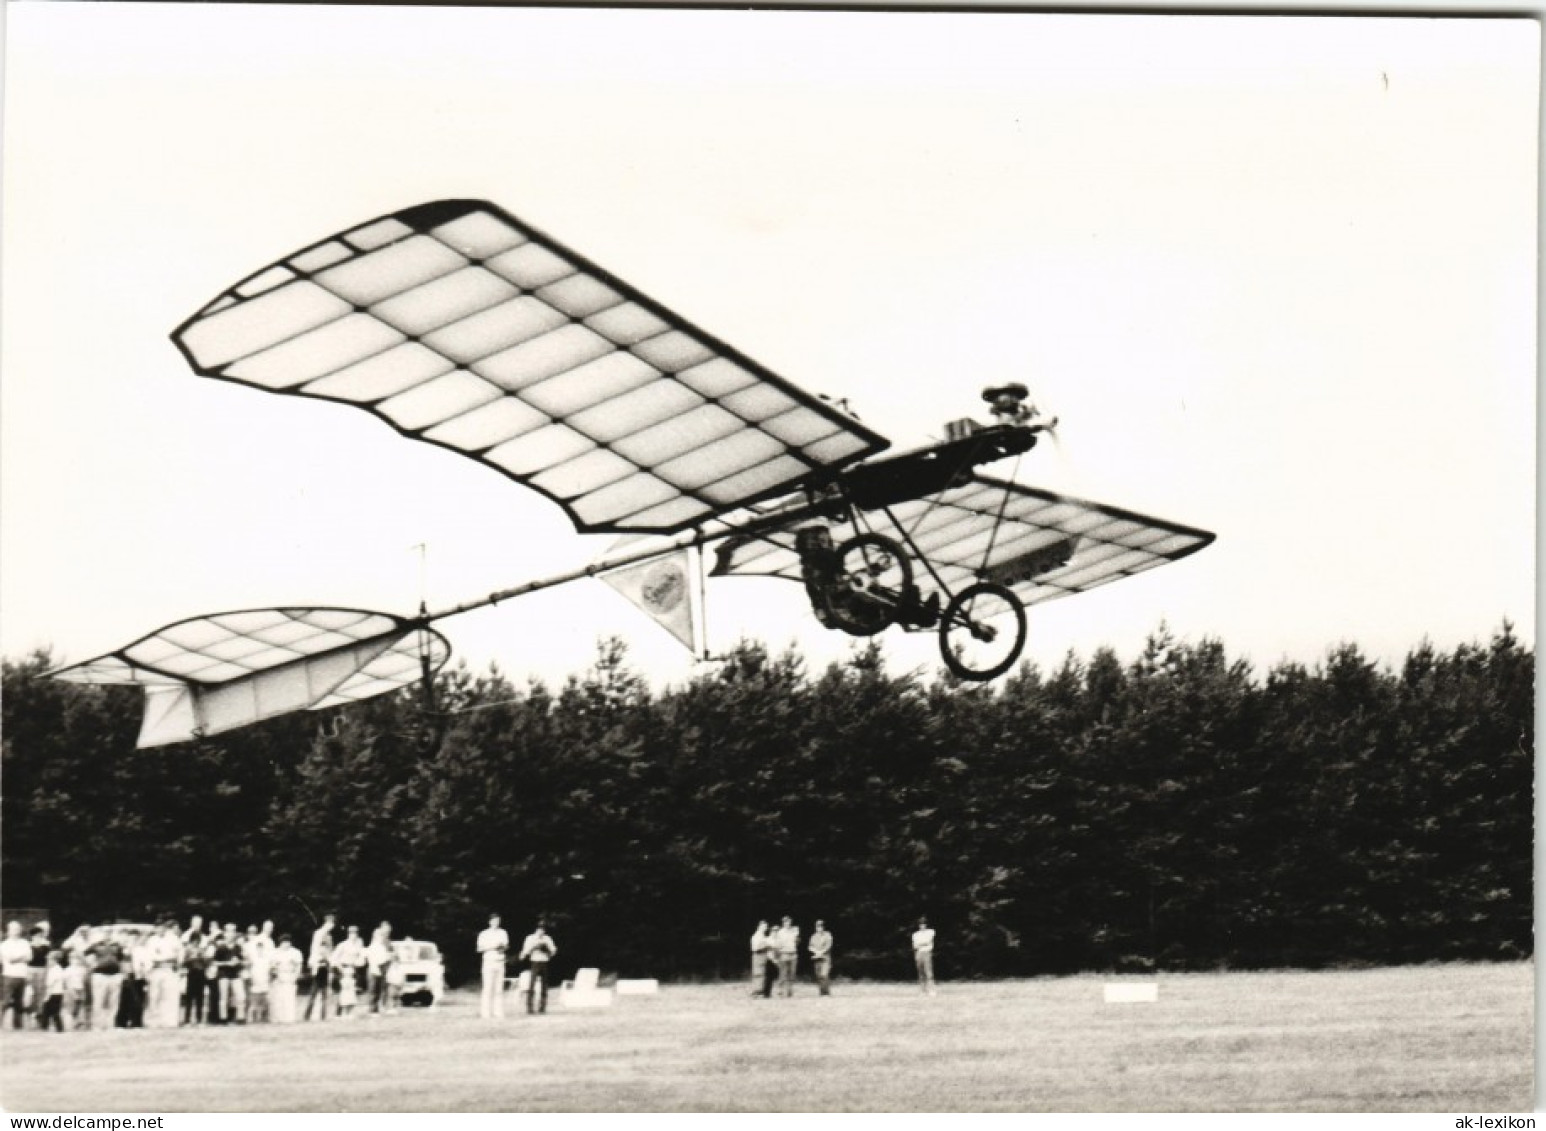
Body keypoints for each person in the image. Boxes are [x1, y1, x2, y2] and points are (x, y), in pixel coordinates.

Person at [85, 928, 124, 1030]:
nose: (108, 935)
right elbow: (85, 954)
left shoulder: (117, 945)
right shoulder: (96, 945)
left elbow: (120, 958)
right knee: (99, 1000)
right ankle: (97, 1025)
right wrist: (91, 964)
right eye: (105, 933)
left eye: (110, 932)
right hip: (100, 975)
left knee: (114, 1002)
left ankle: (110, 1024)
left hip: (115, 975)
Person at [145, 921, 182, 1028]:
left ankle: (170, 1021)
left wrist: (177, 964)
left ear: (165, 928)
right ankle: (154, 1021)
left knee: (169, 995)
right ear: (155, 929)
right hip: (156, 969)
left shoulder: (173, 939)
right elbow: (150, 956)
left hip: (169, 969)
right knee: (155, 996)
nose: (160, 930)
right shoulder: (151, 940)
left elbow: (179, 953)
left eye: (162, 927)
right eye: (158, 928)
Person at [519, 923, 556, 1014]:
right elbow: (525, 952)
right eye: (539, 930)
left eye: (543, 930)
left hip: (544, 961)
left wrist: (547, 949)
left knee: (544, 985)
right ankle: (530, 1007)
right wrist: (534, 947)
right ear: (536, 930)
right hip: (535, 961)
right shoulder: (530, 938)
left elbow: (554, 951)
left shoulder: (547, 938)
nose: (541, 932)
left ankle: (542, 1007)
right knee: (531, 985)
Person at [477, 914, 509, 1019]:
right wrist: (492, 946)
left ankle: (498, 1012)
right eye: (494, 921)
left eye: (498, 921)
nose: (496, 923)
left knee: (499, 988)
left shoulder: (503, 933)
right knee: (488, 987)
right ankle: (485, 1012)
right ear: (490, 922)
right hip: (488, 961)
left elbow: (506, 946)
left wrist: (502, 947)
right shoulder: (484, 934)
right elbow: (479, 948)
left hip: (500, 961)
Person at [304, 914, 335, 1021]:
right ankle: (307, 1015)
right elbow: (314, 950)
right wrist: (313, 964)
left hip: (326, 967)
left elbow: (331, 952)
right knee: (313, 992)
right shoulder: (317, 934)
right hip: (318, 966)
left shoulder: (329, 937)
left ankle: (323, 1015)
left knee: (325, 994)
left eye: (332, 924)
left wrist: (330, 963)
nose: (331, 926)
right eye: (330, 923)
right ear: (326, 923)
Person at [181, 916, 211, 1025]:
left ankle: (198, 1019)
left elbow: (207, 960)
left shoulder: (203, 943)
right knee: (189, 996)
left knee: (199, 996)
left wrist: (202, 956)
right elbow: (184, 960)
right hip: (191, 972)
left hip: (200, 972)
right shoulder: (186, 941)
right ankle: (187, 1019)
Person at [1, 922, 32, 1028]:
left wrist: (18, 958)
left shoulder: (25, 943)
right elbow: (10, 959)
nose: (16, 931)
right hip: (9, 975)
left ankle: (17, 1025)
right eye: (14, 929)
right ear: (8, 930)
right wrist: (21, 957)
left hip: (22, 975)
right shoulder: (4, 944)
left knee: (19, 1002)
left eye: (18, 929)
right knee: (5, 1001)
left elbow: (29, 957)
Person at [270, 935, 303, 1023]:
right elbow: (272, 966)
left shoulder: (295, 952)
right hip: (279, 976)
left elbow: (299, 966)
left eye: (288, 942)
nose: (286, 944)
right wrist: (276, 974)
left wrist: (295, 977)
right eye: (284, 942)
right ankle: (279, 1018)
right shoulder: (275, 952)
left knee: (290, 998)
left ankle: (290, 1018)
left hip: (290, 975)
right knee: (279, 999)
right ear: (280, 943)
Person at [27, 922, 52, 1026]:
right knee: (31, 992)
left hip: (42, 969)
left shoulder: (45, 945)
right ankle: (31, 1014)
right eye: (36, 935)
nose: (38, 937)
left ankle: (40, 1014)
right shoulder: (28, 945)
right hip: (31, 969)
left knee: (41, 992)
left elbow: (48, 959)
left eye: (39, 935)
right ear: (32, 936)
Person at [365, 925, 393, 1015]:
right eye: (379, 936)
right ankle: (371, 1009)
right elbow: (370, 958)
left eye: (382, 935)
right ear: (375, 936)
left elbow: (385, 957)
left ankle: (376, 1008)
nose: (381, 937)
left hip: (382, 967)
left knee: (379, 989)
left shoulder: (383, 946)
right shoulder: (373, 946)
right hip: (374, 968)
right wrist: (375, 967)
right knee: (373, 989)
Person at [38, 951, 66, 1032]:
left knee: (51, 1011)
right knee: (50, 1011)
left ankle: (57, 1028)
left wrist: (47, 996)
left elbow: (50, 984)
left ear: (55, 960)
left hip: (53, 993)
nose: (48, 962)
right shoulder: (59, 969)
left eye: (49, 960)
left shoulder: (54, 970)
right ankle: (47, 1027)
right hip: (59, 993)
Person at [773, 916, 800, 997]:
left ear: (790, 922)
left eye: (788, 922)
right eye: (785, 922)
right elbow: (777, 944)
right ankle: (780, 990)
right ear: (783, 923)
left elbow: (797, 942)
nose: (787, 923)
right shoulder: (780, 932)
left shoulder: (794, 931)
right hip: (784, 954)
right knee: (783, 973)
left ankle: (789, 991)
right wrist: (777, 955)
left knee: (792, 973)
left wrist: (797, 935)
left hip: (793, 954)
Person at [808, 920, 833, 996]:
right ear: (816, 927)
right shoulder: (813, 936)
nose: (819, 928)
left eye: (821, 926)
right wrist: (816, 952)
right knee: (818, 976)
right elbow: (810, 947)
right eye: (818, 926)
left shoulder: (827, 935)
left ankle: (826, 992)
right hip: (817, 958)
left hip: (825, 958)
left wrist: (821, 952)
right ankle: (821, 992)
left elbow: (829, 945)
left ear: (823, 927)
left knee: (824, 975)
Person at [912, 917, 936, 995]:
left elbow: (928, 941)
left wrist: (921, 943)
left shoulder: (930, 932)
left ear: (926, 925)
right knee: (920, 973)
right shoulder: (915, 934)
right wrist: (923, 943)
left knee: (928, 972)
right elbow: (915, 946)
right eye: (921, 924)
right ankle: (923, 990)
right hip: (919, 953)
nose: (922, 926)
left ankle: (931, 990)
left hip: (927, 953)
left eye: (924, 924)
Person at [748, 920, 772, 998]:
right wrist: (766, 946)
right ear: (759, 926)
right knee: (758, 973)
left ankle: (761, 991)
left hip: (763, 955)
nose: (765, 928)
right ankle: (756, 991)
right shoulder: (756, 936)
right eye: (763, 926)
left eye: (766, 927)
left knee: (763, 974)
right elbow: (755, 948)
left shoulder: (763, 936)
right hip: (758, 955)